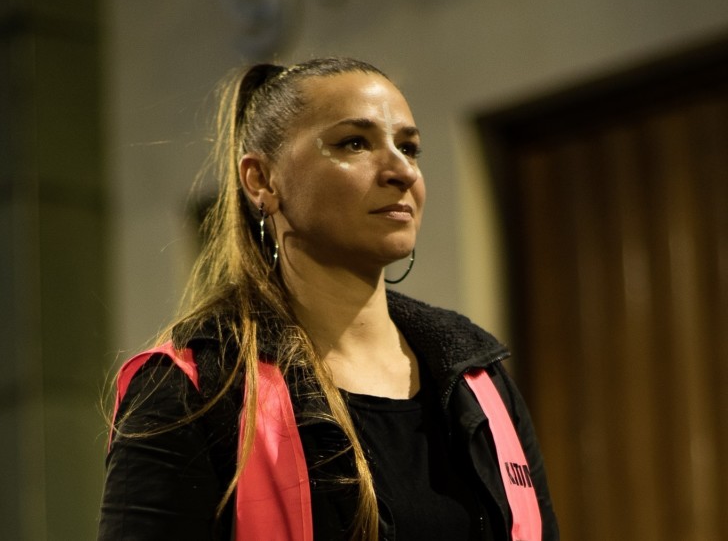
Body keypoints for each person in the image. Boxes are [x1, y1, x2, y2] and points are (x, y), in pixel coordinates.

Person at [98, 57, 559, 541]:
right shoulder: (193, 389)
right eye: (354, 143)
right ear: (262, 180)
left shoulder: (477, 377)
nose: (401, 170)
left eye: (409, 147)